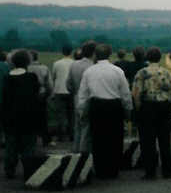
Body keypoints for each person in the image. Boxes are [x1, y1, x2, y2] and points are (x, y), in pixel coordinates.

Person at [76, 44, 132, 179]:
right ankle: (113, 169)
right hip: (114, 106)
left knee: (98, 138)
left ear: (95, 55)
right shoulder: (117, 71)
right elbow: (125, 93)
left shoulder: (89, 71)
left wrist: (81, 111)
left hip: (97, 106)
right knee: (115, 138)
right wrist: (128, 109)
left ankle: (100, 169)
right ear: (110, 54)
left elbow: (83, 94)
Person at [132, 47, 171, 179]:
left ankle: (150, 171)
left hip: (148, 107)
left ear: (147, 57)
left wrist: (138, 108)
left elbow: (136, 93)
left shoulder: (142, 73)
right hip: (164, 106)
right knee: (165, 140)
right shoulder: (167, 73)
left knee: (148, 141)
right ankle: (167, 170)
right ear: (160, 57)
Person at [1, 49, 41, 179]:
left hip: (11, 117)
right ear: (28, 62)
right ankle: (28, 170)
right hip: (29, 117)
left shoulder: (6, 78)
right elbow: (36, 96)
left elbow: (4, 99)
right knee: (28, 146)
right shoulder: (32, 78)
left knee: (11, 145)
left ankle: (10, 169)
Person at [67, 41, 96, 155]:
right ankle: (83, 153)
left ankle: (75, 150)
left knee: (77, 126)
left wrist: (74, 92)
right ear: (94, 53)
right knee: (87, 128)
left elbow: (68, 84)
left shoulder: (74, 64)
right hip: (89, 98)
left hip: (76, 97)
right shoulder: (93, 66)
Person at [28, 50, 54, 146]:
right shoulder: (44, 68)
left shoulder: (27, 68)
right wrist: (49, 94)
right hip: (41, 95)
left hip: (29, 96)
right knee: (43, 118)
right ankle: (45, 139)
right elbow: (49, 84)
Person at [51, 44, 75, 142]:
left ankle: (60, 135)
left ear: (62, 52)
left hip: (59, 90)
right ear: (71, 52)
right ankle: (71, 135)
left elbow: (54, 77)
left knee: (60, 114)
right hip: (71, 91)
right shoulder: (74, 63)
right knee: (71, 114)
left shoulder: (57, 63)